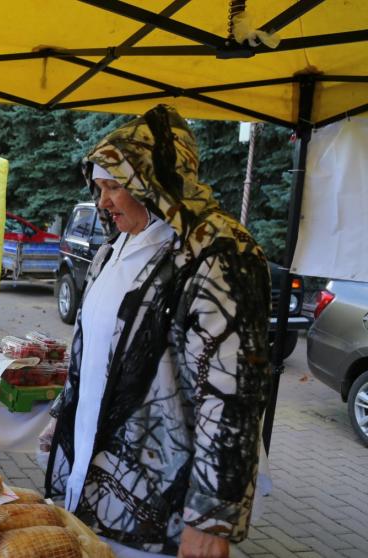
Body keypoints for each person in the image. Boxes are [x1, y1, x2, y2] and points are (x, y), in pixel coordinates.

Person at [44, 105, 271, 558]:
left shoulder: (218, 253)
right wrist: (62, 417)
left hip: (160, 500)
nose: (103, 201)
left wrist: (212, 518)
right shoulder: (117, 246)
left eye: (114, 186)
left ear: (155, 185)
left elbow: (231, 393)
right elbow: (92, 352)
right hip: (94, 472)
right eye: (99, 186)